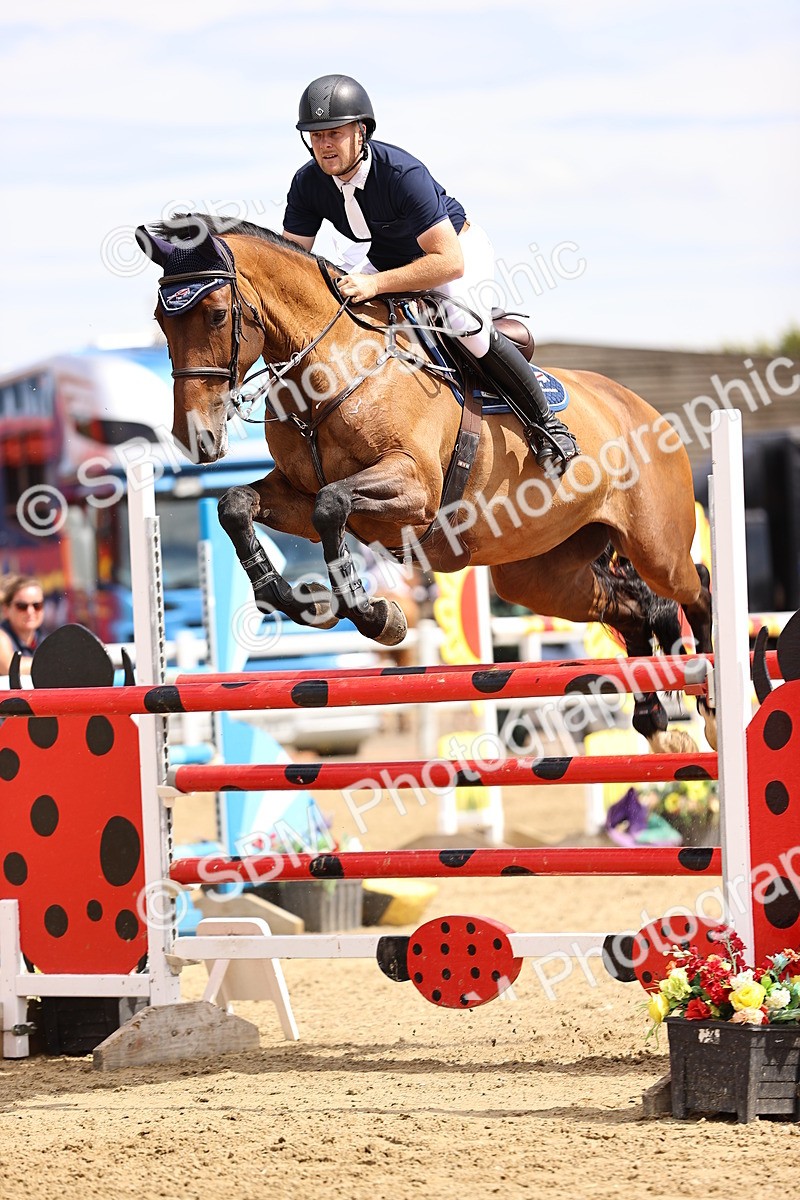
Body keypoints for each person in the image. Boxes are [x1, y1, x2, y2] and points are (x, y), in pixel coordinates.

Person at [282, 73, 579, 475]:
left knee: (461, 323)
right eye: (315, 136)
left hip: (455, 250)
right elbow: (291, 261)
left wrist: (373, 283)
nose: (324, 145)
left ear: (361, 131)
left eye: (334, 132)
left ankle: (548, 426)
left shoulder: (402, 174)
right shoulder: (307, 183)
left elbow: (448, 262)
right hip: (387, 256)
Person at [0, 575, 46, 676]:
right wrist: (51, 663)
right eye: (22, 606)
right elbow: (9, 667)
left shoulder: (44, 638)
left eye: (37, 605)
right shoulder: (1, 636)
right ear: (6, 610)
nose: (30, 611)